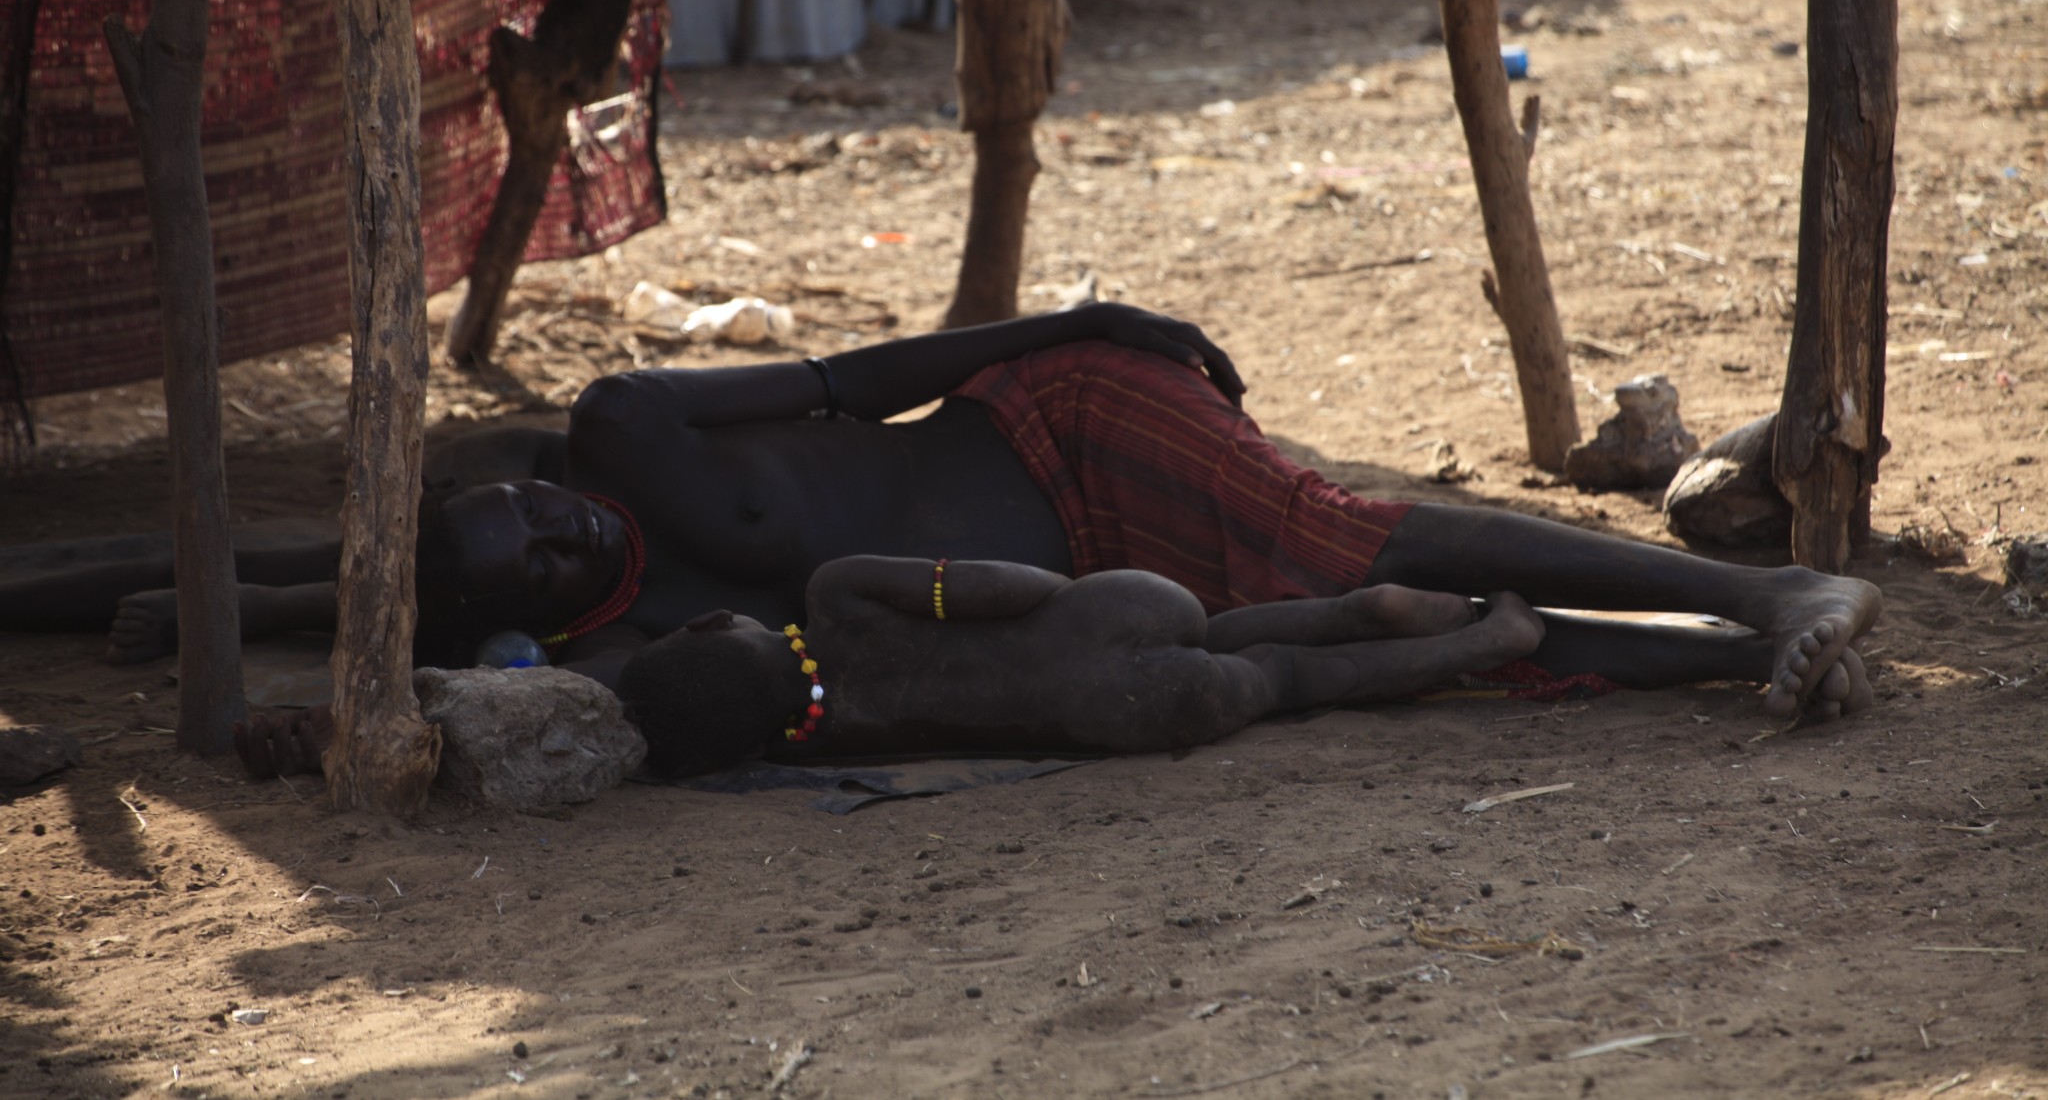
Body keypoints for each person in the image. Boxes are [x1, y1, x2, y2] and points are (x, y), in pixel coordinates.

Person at [0, 303, 1879, 722]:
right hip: (1084, 584)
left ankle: (1776, 586)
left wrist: (1084, 322)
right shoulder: (625, 647)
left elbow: (873, 377)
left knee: (1365, 538)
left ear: (526, 490)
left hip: (1061, 434)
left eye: (543, 520)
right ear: (536, 613)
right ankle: (1718, 650)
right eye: (546, 571)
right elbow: (330, 596)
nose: (569, 540)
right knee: (1412, 648)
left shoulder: (627, 429)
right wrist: (124, 603)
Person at [241, 556, 1793, 778]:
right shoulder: (840, 596)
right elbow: (997, 585)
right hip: (1115, 619)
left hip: (1113, 711)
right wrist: (1068, 593)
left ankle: (1472, 646)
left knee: (1284, 691)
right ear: (713, 632)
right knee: (1268, 636)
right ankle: (1404, 606)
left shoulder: (803, 737)